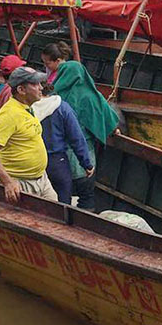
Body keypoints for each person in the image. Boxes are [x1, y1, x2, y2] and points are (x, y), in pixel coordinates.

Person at [42, 42, 119, 204]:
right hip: (85, 151)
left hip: (59, 155)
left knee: (63, 192)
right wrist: (114, 129)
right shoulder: (90, 94)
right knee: (86, 193)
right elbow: (105, 112)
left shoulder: (56, 97)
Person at [0, 66, 59, 204]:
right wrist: (8, 182)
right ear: (21, 90)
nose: (41, 88)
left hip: (40, 179)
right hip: (20, 183)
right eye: (35, 84)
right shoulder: (10, 114)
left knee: (55, 215)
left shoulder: (27, 108)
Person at [32, 82, 96, 206]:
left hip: (33, 162)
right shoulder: (61, 107)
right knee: (63, 206)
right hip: (57, 162)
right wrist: (86, 164)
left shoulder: (27, 108)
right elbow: (77, 138)